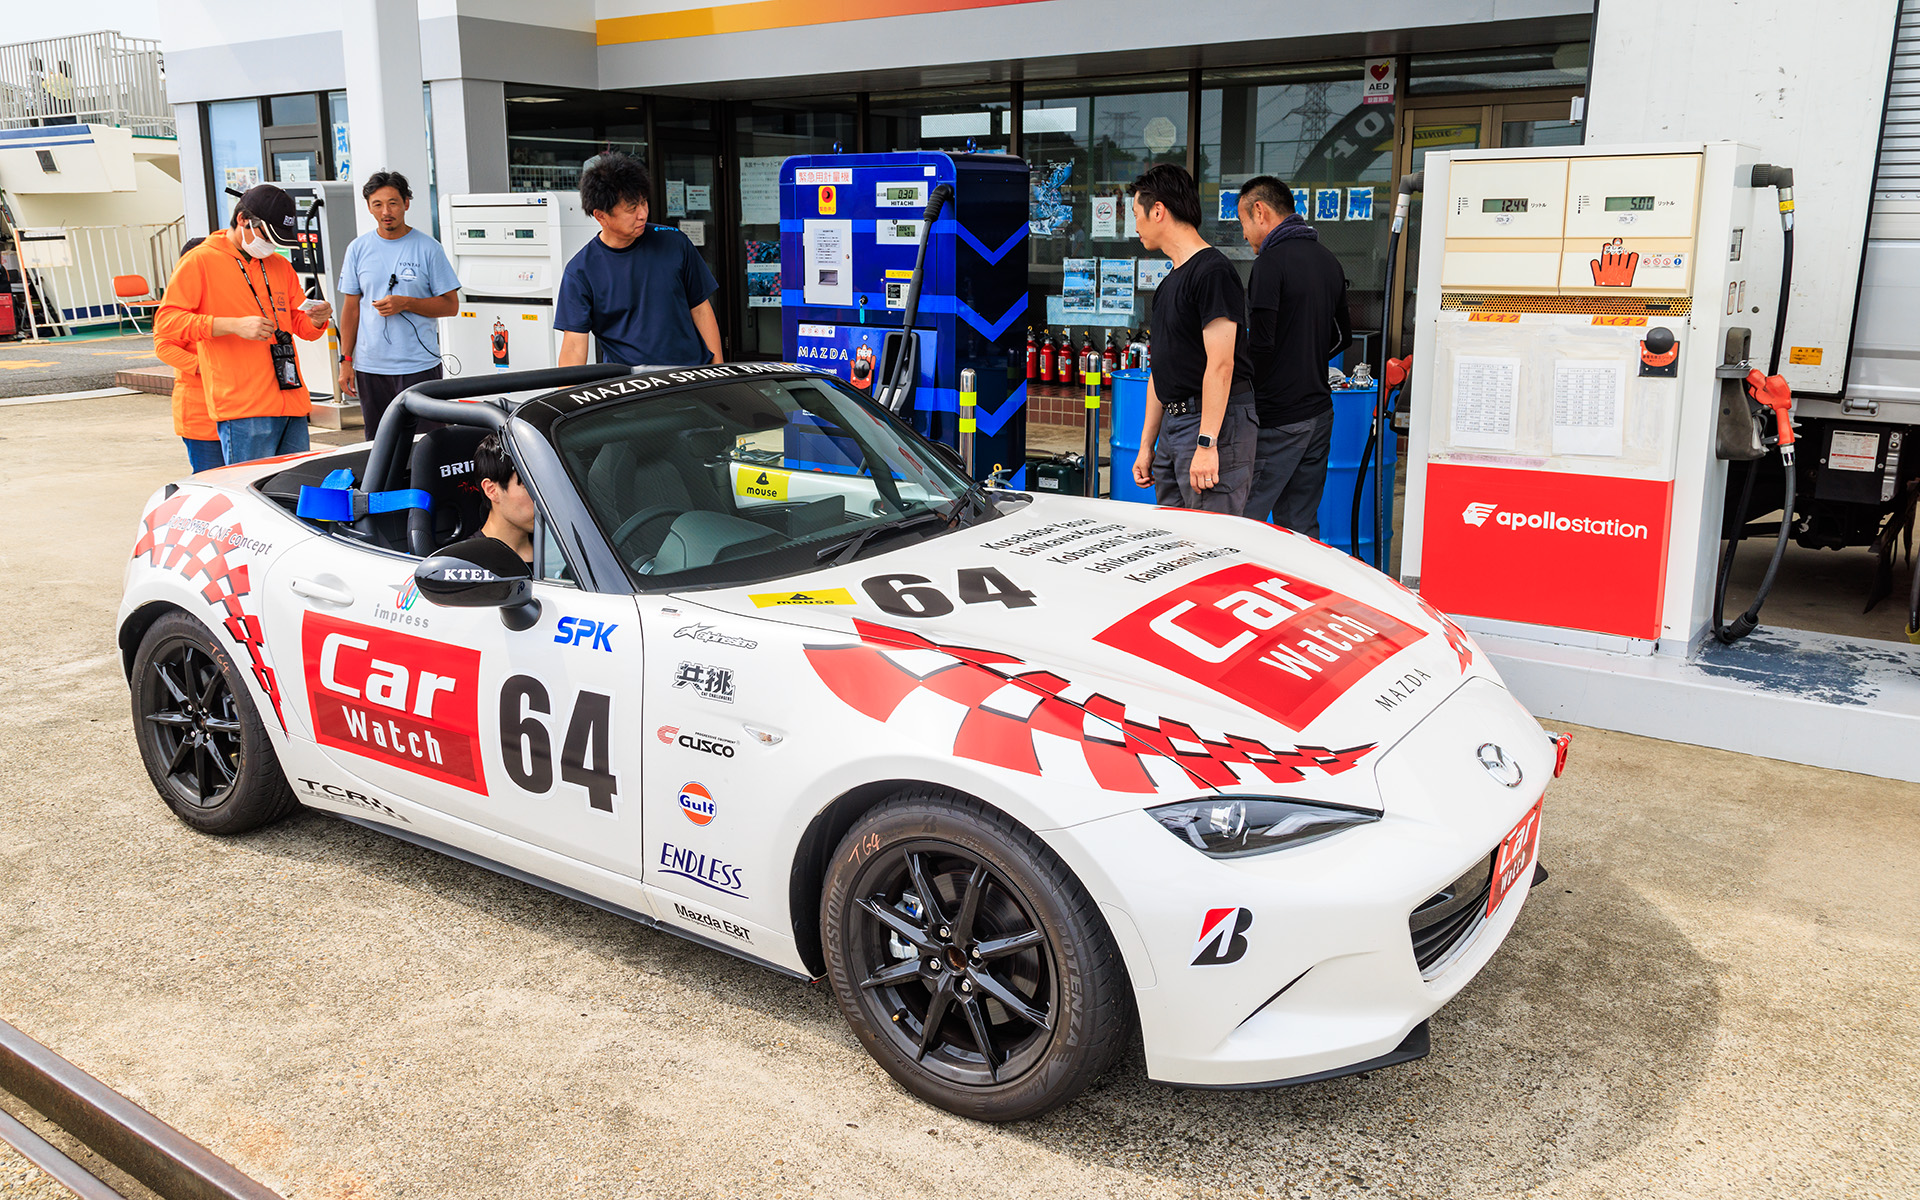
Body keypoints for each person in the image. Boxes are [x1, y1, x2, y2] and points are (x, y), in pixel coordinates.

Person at [153, 184, 332, 464]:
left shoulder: (279, 265)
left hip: (292, 401)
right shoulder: (200, 260)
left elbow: (300, 326)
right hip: (244, 407)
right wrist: (232, 326)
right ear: (243, 220)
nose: (271, 245)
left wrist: (316, 320)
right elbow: (166, 323)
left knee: (291, 492)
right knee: (251, 494)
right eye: (267, 235)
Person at [1126, 164, 1256, 513]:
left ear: (1158, 211)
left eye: (1137, 214)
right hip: (1174, 425)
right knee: (1175, 543)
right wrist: (1146, 445)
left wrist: (1207, 442)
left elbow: (1222, 364)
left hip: (1212, 425)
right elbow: (1161, 368)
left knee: (1211, 542)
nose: (1134, 226)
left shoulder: (1213, 271)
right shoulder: (1170, 282)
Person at [1235, 175, 1353, 535]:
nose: (1243, 234)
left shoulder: (1270, 263)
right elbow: (1342, 337)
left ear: (1260, 211)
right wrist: (1306, 358)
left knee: (1242, 518)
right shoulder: (1328, 260)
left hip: (1278, 418)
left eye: (1242, 222)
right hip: (1319, 412)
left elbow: (1262, 346)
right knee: (1300, 525)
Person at [556, 152, 722, 368]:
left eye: (644, 202)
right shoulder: (581, 271)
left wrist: (718, 369)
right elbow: (574, 346)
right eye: (632, 209)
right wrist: (570, 399)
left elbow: (700, 309)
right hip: (633, 390)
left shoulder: (674, 241)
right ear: (601, 216)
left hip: (690, 377)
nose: (643, 213)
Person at [336, 170, 462, 439]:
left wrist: (406, 303)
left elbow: (450, 306)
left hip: (418, 367)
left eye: (393, 202)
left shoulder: (428, 248)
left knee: (426, 445)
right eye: (377, 204)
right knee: (378, 446)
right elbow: (351, 308)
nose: (386, 211)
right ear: (369, 207)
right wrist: (346, 361)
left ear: (406, 203)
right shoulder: (358, 249)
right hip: (370, 368)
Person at [153, 237, 223, 472]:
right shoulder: (180, 303)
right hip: (200, 414)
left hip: (235, 411)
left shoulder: (222, 294)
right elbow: (164, 345)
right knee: (210, 480)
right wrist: (203, 365)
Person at [439, 433, 533, 576]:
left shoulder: (560, 544)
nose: (540, 497)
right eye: (528, 486)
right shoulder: (467, 567)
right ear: (492, 490)